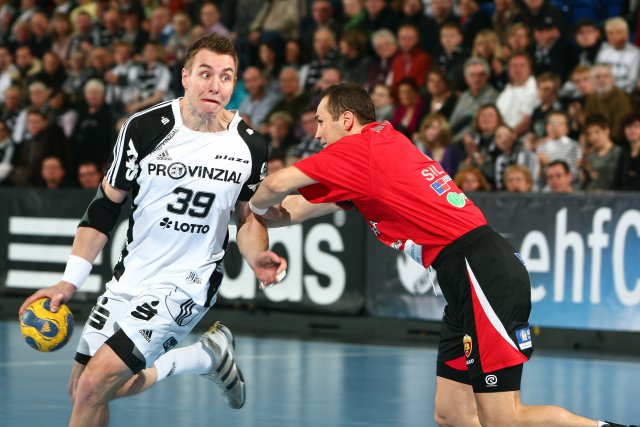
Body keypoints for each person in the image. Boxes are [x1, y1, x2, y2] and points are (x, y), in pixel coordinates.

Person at [247, 83, 631, 427]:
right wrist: (257, 215)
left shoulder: (358, 148)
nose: (316, 133)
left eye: (320, 122)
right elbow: (294, 209)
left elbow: (277, 184)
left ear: (346, 121)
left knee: (503, 419)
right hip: (463, 279)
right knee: (453, 414)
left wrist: (252, 204)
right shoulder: (377, 148)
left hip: (481, 272)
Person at [18, 34, 287, 427]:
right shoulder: (144, 128)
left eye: (226, 77)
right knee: (81, 391)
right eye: (206, 74)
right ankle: (203, 357)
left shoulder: (250, 146)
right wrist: (68, 283)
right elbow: (105, 206)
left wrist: (257, 255)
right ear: (185, 77)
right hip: (132, 276)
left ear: (234, 84)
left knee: (94, 385)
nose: (215, 86)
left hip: (187, 282)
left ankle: (201, 356)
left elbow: (247, 219)